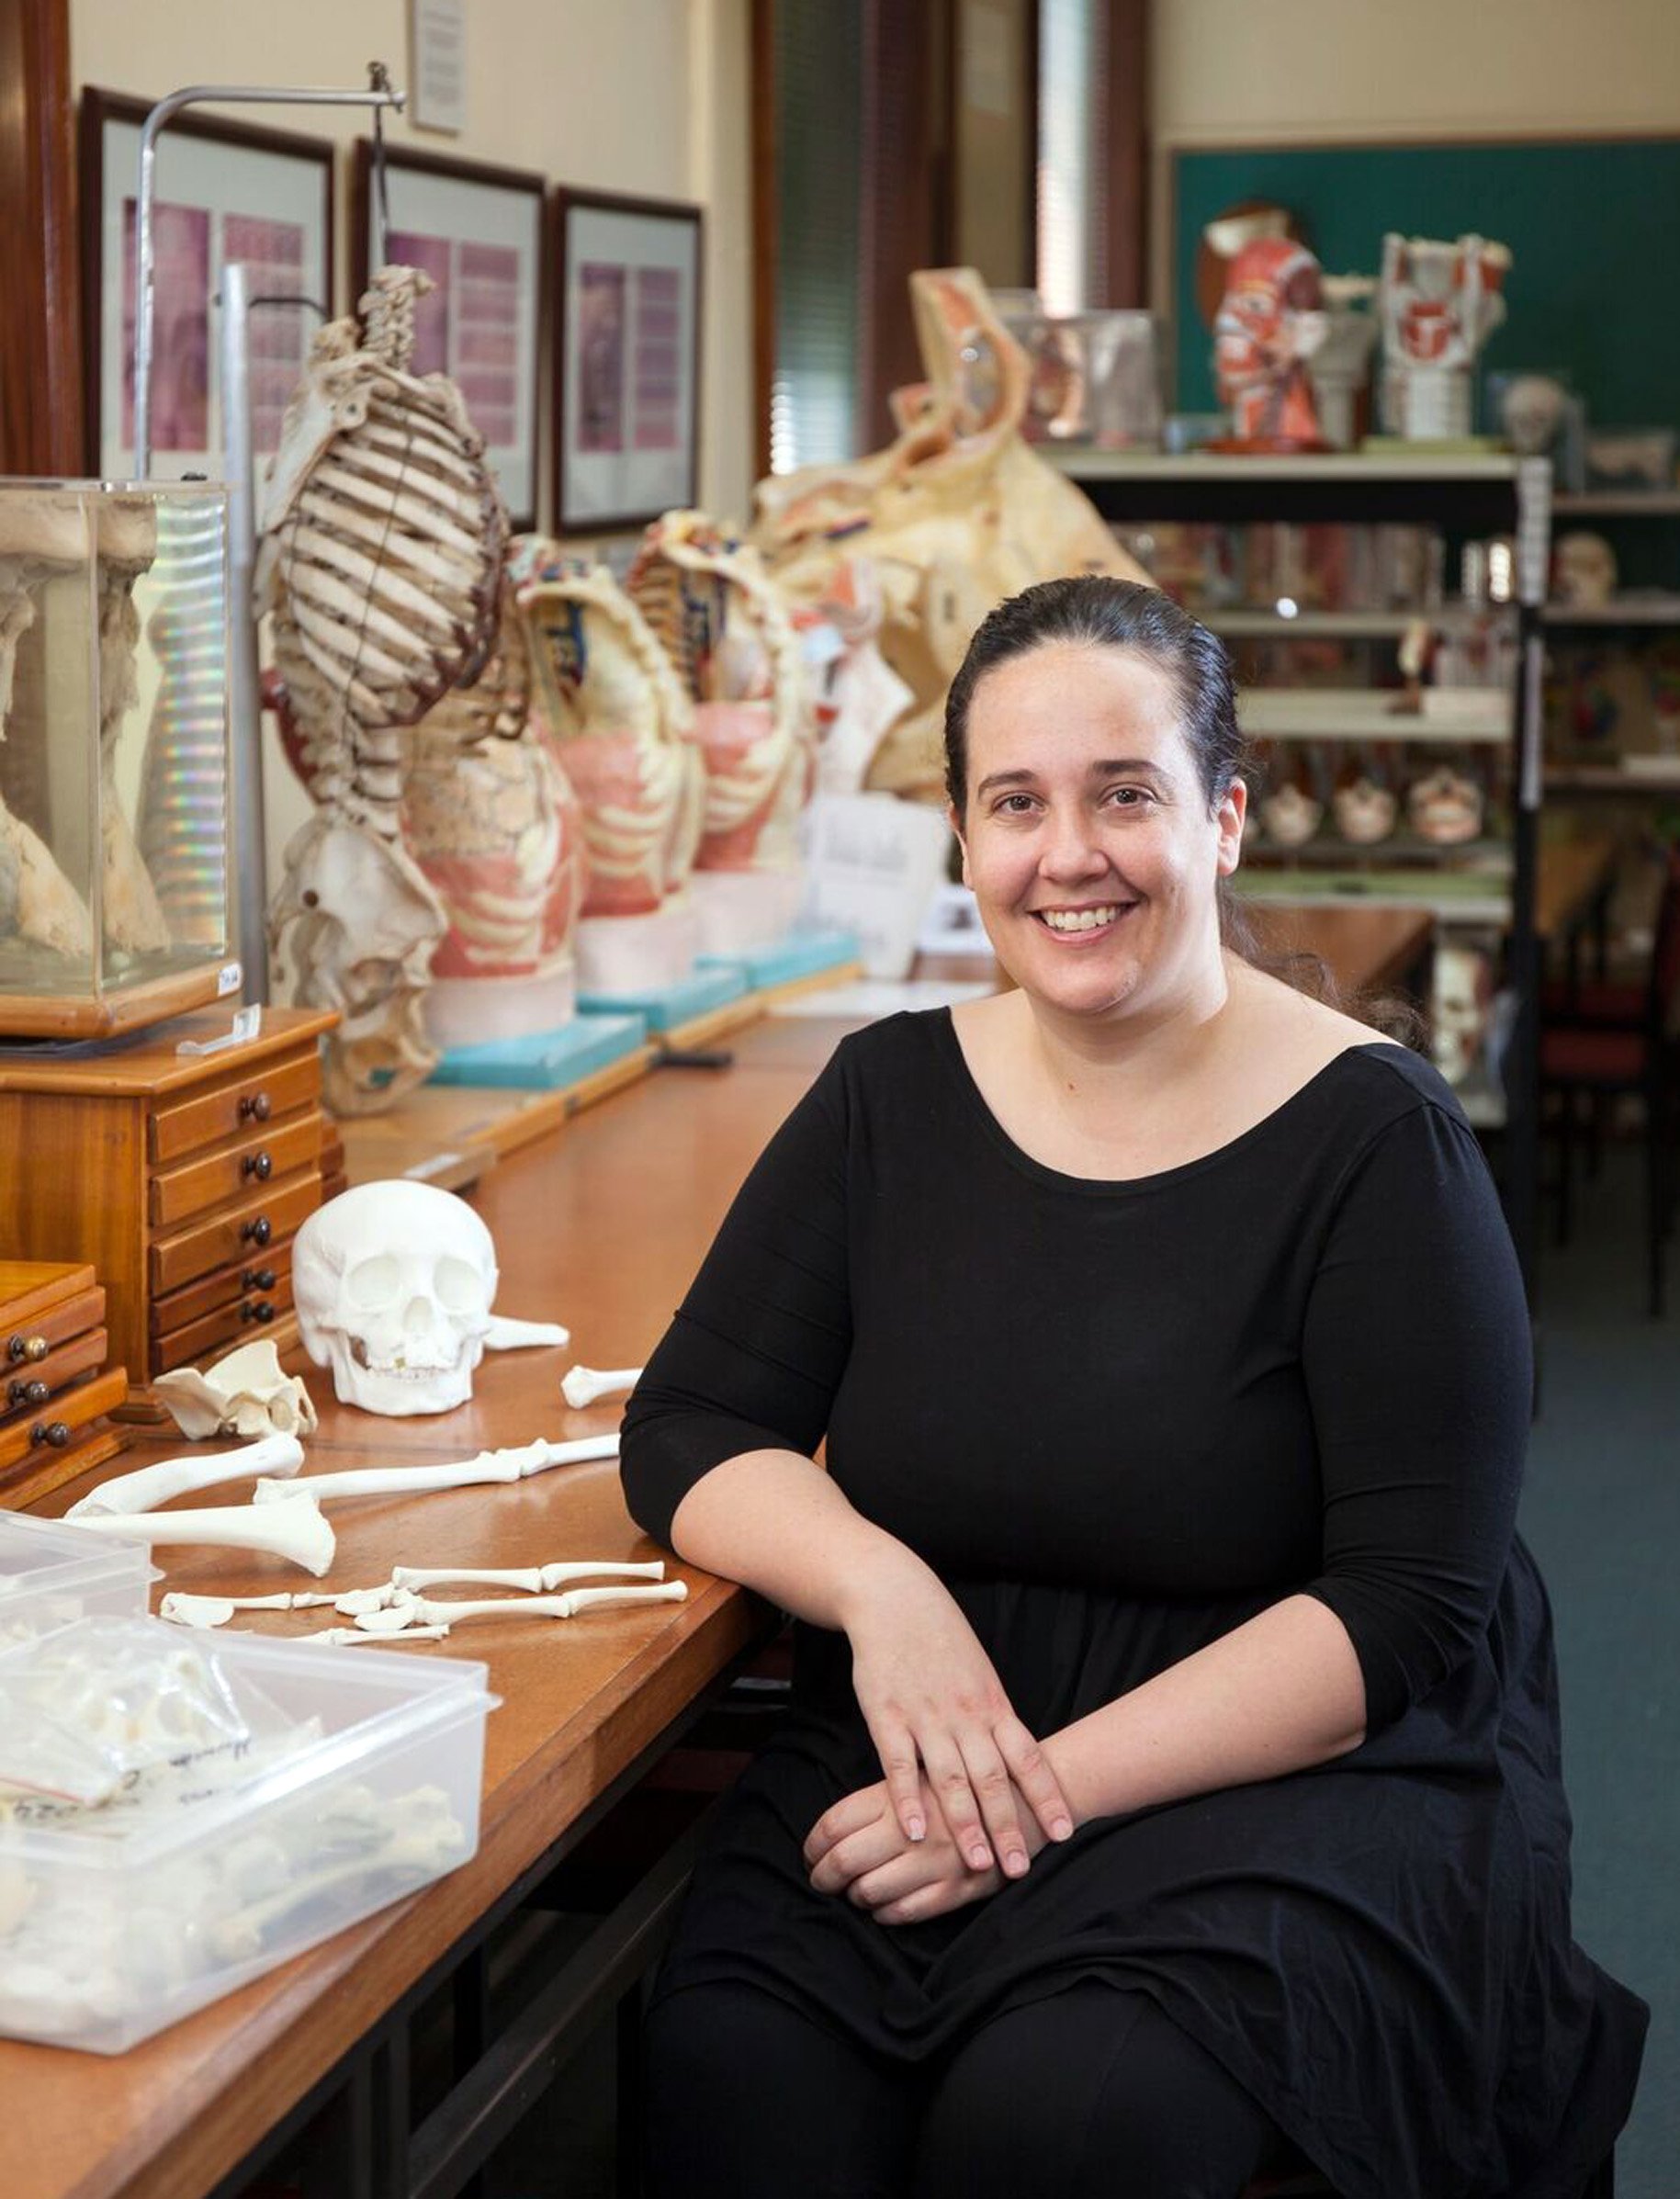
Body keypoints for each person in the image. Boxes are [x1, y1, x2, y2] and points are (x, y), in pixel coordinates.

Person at [619, 577, 1646, 2199]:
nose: (1066, 854)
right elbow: (689, 1426)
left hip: (1269, 1760)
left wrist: (1029, 1800)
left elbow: (1406, 1606)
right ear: (964, 841)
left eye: (1124, 794)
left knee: (1070, 2119)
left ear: (1223, 819)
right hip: (935, 1722)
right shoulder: (888, 1094)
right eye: (1014, 803)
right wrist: (882, 1589)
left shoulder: (1379, 1144)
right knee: (735, 2074)